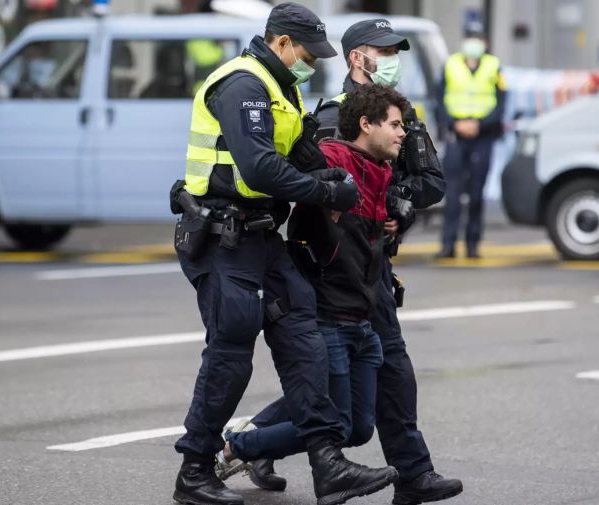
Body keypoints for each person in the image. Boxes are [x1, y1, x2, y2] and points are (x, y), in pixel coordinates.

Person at [225, 19, 462, 505]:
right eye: (384, 51)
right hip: (340, 270)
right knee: (358, 390)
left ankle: (258, 442)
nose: (393, 59)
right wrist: (376, 209)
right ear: (358, 57)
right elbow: (320, 189)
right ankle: (251, 444)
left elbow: (429, 183)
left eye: (396, 51)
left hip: (372, 264)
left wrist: (399, 205)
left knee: (358, 389)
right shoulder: (334, 118)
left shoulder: (402, 113)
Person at [170, 4, 397, 505]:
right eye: (307, 54)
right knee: (231, 355)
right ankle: (194, 469)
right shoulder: (243, 85)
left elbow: (301, 155)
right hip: (223, 240)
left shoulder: (282, 89)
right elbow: (258, 169)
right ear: (281, 43)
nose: (312, 63)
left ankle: (328, 465)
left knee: (306, 343)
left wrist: (340, 177)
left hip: (262, 237)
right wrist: (324, 192)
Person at [216, 83, 408, 500]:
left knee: (358, 428)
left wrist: (397, 220)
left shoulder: (381, 170)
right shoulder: (336, 158)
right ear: (365, 124)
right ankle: (235, 448)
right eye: (395, 124)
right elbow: (299, 179)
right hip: (328, 314)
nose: (402, 132)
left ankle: (250, 443)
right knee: (334, 422)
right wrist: (326, 189)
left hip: (362, 316)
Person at [436, 19, 507, 259]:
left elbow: (501, 103)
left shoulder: (494, 66)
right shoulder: (451, 64)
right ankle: (448, 244)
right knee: (453, 193)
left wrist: (480, 124)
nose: (473, 43)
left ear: (484, 42)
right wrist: (455, 124)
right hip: (456, 135)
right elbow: (440, 100)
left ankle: (472, 244)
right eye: (470, 37)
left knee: (477, 193)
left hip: (482, 136)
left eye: (477, 38)